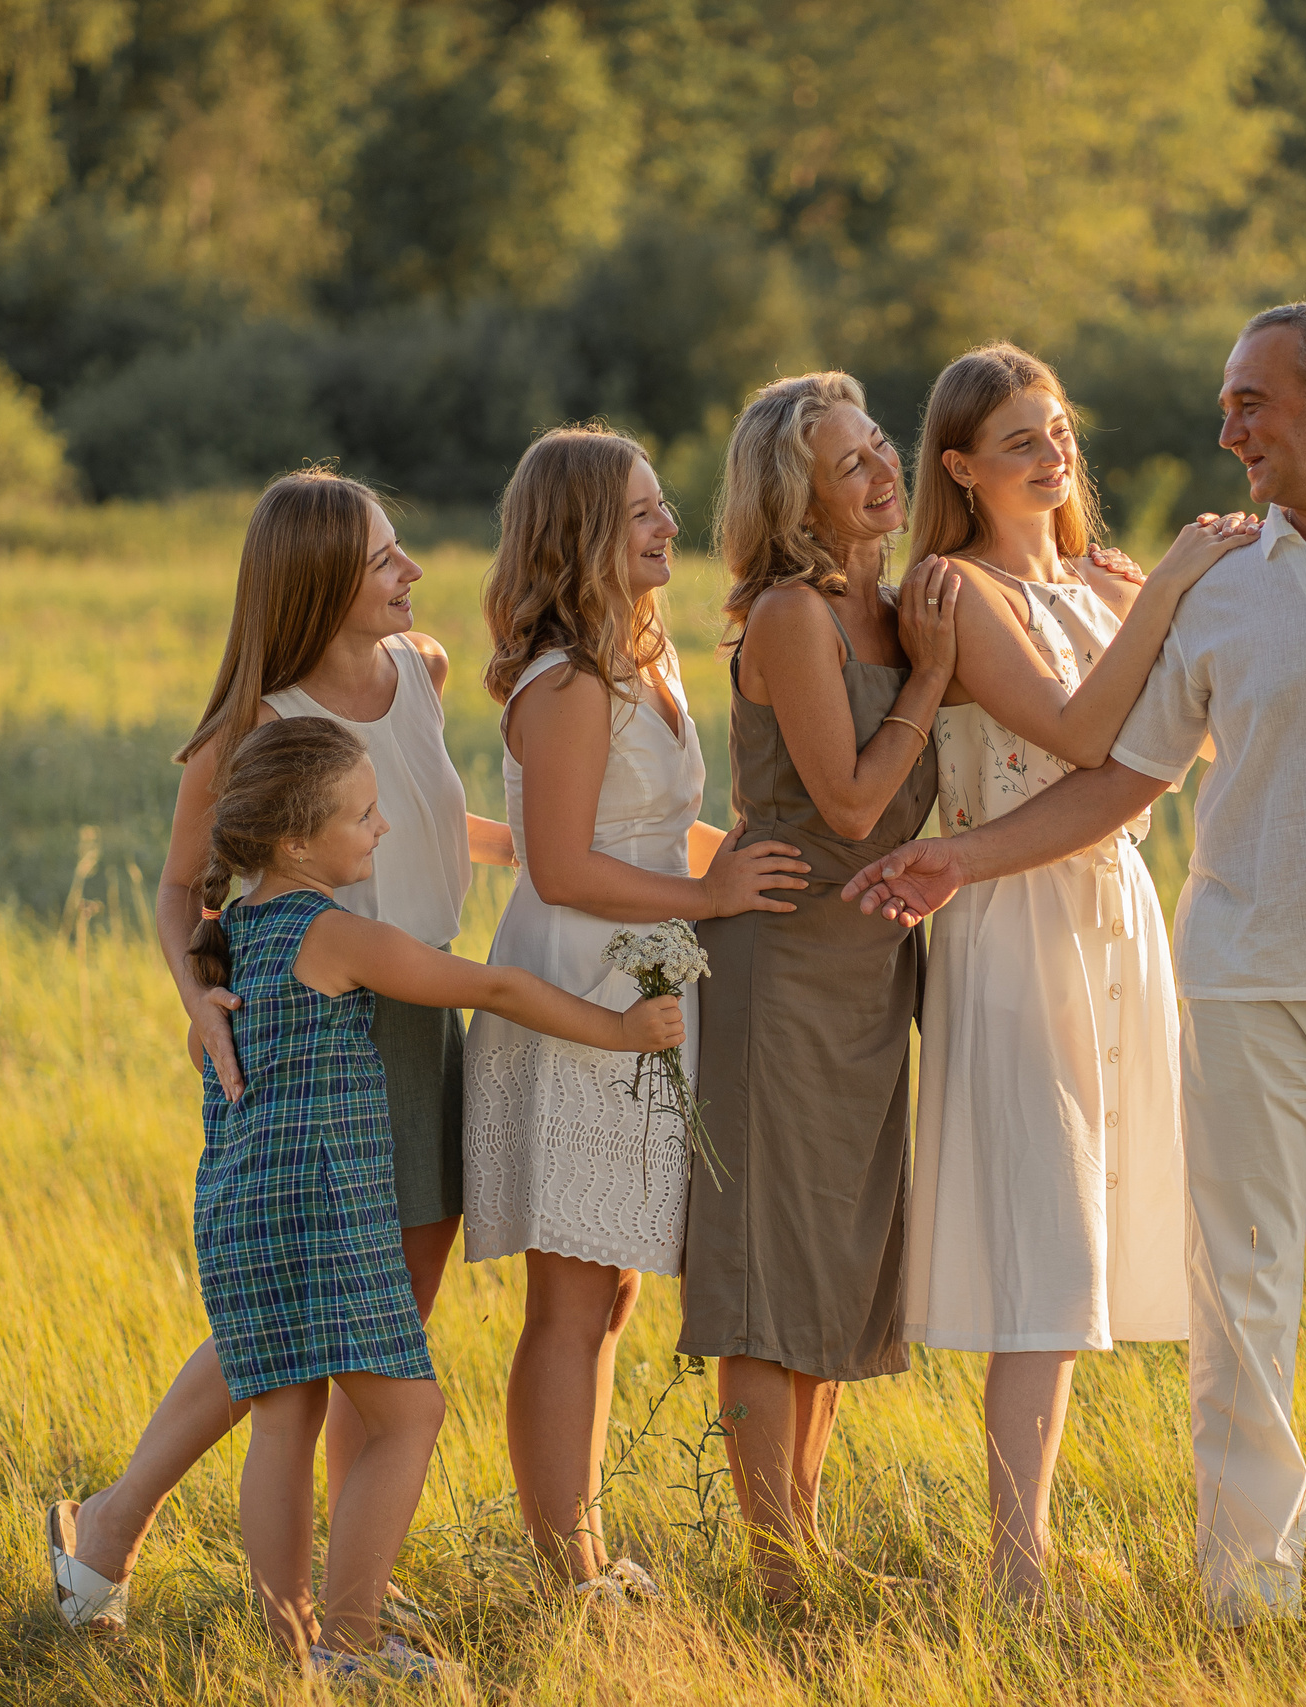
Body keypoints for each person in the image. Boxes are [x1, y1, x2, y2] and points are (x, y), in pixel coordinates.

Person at [845, 304, 1306, 1624]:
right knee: (1239, 1287)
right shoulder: (1218, 586)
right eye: (1225, 404)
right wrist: (960, 859)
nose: (1226, 428)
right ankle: (1249, 1582)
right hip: (1241, 977)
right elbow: (1118, 777)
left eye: (1249, 403)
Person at [45, 469, 511, 1635]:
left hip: (421, 1010)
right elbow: (174, 887)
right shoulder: (256, 724)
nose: (411, 572)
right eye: (383, 560)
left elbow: (430, 817)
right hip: (314, 1027)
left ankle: (359, 1573)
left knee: (380, 1322)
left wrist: (572, 847)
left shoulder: (424, 671)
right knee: (295, 1314)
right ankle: (117, 1520)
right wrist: (198, 1001)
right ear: (315, 584)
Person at [171, 715, 681, 1676]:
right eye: (364, 816)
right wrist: (618, 1031)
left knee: (284, 1419)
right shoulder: (336, 935)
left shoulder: (231, 936)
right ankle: (354, 1644)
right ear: (294, 842)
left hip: (240, 1211)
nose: (382, 830)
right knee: (410, 1415)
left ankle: (294, 1655)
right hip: (325, 1212)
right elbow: (490, 987)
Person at [894, 343, 1256, 1608]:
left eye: (1057, 433)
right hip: (1012, 921)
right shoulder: (953, 590)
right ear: (960, 467)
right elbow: (1080, 731)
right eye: (1019, 443)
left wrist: (1146, 593)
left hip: (1118, 913)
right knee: (1041, 1237)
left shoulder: (1098, 583)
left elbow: (1193, 733)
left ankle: (1034, 1549)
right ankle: (1016, 1568)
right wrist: (1163, 596)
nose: (1053, 457)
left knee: (1097, 1225)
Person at [462, 424, 811, 1597]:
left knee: (608, 1290)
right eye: (643, 512)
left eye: (667, 506)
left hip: (646, 981)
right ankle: (568, 1568)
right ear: (579, 535)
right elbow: (559, 866)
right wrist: (709, 894)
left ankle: (584, 1545)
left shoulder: (645, 661)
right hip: (576, 987)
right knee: (570, 1296)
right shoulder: (565, 683)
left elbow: (655, 838)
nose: (670, 526)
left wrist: (778, 872)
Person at [674, 373, 956, 1601]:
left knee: (838, 1263)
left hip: (868, 972)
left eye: (880, 448)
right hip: (781, 965)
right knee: (766, 1277)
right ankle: (774, 1567)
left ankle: (809, 1543)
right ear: (796, 496)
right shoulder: (791, 614)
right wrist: (935, 683)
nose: (883, 473)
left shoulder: (899, 610)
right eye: (851, 465)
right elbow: (846, 800)